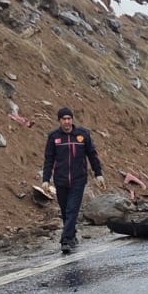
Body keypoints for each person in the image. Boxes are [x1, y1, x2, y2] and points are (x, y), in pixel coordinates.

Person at [41, 105, 106, 253]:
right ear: (59, 121)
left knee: (72, 210)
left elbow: (92, 155)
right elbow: (49, 159)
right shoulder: (54, 137)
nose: (67, 122)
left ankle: (65, 240)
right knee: (65, 211)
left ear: (72, 120)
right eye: (64, 119)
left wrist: (98, 174)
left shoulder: (83, 135)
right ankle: (72, 235)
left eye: (69, 118)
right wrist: (46, 179)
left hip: (78, 179)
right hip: (61, 180)